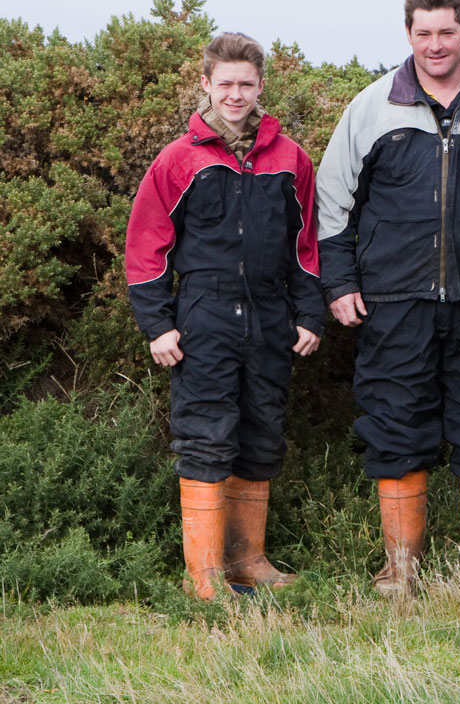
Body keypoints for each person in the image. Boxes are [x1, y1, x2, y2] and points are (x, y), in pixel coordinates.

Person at [316, 0, 460, 596]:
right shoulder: (371, 109)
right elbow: (332, 201)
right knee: (394, 424)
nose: (435, 44)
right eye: (423, 33)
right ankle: (401, 566)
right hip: (394, 302)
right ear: (408, 35)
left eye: (447, 31)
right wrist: (338, 281)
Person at [125, 33, 325, 599]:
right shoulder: (178, 159)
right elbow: (146, 247)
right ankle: (205, 578)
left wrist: (310, 314)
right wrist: (158, 325)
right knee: (206, 436)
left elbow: (306, 246)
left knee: (262, 434)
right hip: (203, 315)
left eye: (246, 83)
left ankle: (249, 561)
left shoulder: (291, 159)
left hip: (271, 316)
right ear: (206, 85)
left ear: (261, 86)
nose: (235, 94)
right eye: (225, 84)